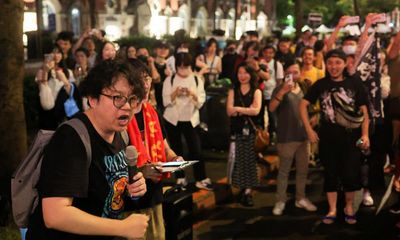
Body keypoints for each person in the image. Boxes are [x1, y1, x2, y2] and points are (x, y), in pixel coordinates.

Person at [26, 60, 149, 239]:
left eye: (132, 99)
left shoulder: (120, 134)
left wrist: (133, 188)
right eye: (117, 98)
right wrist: (121, 228)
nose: (127, 106)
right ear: (92, 99)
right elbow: (55, 215)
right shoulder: (72, 138)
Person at [299, 49, 370, 225]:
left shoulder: (355, 83)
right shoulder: (321, 84)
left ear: (345, 64)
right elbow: (303, 104)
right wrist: (309, 129)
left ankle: (349, 207)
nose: (333, 66)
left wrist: (365, 135)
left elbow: (365, 112)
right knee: (330, 174)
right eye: (330, 63)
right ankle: (332, 209)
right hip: (328, 137)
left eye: (338, 63)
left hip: (351, 137)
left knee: (350, 174)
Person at [126, 59, 182, 240]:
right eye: (141, 79)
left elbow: (165, 148)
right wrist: (143, 170)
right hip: (128, 199)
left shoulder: (152, 112)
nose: (146, 84)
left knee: (158, 236)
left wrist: (174, 159)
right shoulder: (120, 116)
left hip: (154, 194)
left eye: (147, 78)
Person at [270, 60, 317, 215]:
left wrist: (313, 118)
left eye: (296, 72)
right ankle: (280, 201)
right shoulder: (279, 88)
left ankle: (300, 198)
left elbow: (310, 107)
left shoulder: (304, 87)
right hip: (287, 136)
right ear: (284, 73)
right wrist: (282, 92)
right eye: (289, 72)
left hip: (303, 136)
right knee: (284, 171)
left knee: (303, 170)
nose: (293, 75)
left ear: (300, 72)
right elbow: (271, 108)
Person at [162, 52, 213, 190]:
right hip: (173, 119)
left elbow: (201, 102)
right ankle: (180, 178)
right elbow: (165, 101)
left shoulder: (196, 79)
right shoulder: (170, 79)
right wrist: (175, 93)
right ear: (176, 66)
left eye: (186, 67)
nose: (183, 70)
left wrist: (192, 94)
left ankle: (200, 178)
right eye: (180, 67)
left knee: (196, 150)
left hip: (191, 119)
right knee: (176, 150)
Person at [226, 63, 262, 207]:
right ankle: (241, 188)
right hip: (236, 130)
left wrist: (238, 110)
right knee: (238, 161)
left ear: (251, 74)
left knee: (249, 162)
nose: (242, 76)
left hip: (250, 131)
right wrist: (247, 109)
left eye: (245, 73)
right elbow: (229, 111)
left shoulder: (256, 91)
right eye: (240, 73)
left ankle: (248, 192)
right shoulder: (233, 90)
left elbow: (256, 111)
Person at [35, 45, 81, 130]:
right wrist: (46, 71)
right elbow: (45, 102)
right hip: (48, 115)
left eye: (58, 52)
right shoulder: (41, 72)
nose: (56, 55)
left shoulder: (67, 72)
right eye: (53, 53)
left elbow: (72, 94)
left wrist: (64, 80)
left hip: (64, 113)